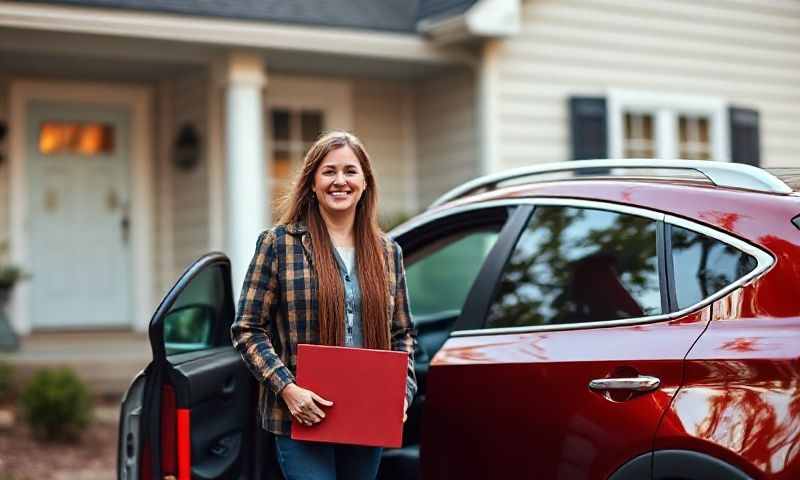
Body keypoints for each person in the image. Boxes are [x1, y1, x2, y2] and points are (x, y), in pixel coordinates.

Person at [231, 131, 417, 480]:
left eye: (350, 171)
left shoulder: (388, 252)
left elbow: (403, 333)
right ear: (312, 182)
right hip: (301, 416)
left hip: (368, 415)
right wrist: (288, 388)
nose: (340, 181)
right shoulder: (279, 244)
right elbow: (247, 329)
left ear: (365, 183)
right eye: (329, 171)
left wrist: (400, 395)